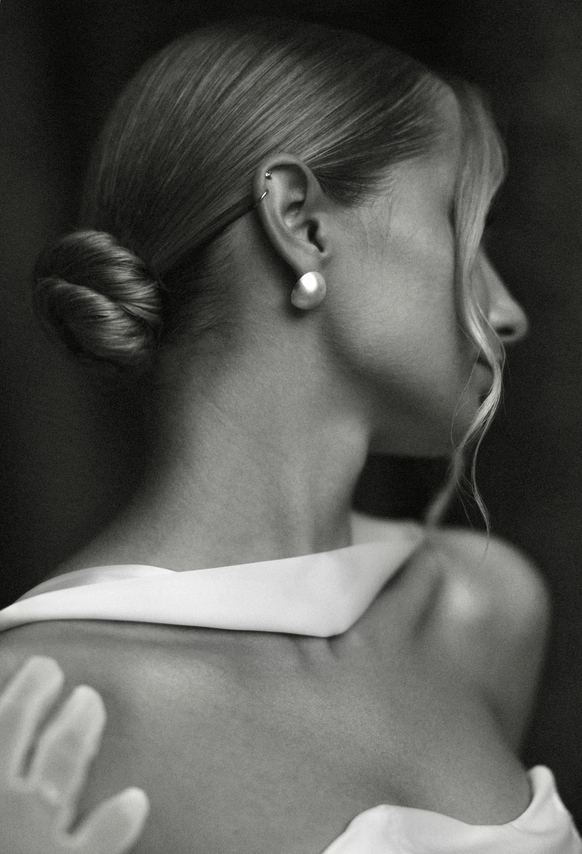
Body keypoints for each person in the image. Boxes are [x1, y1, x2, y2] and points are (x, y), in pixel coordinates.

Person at [0, 16, 579, 853]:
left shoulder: (481, 612)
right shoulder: (35, 713)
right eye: (463, 225)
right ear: (300, 222)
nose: (508, 311)